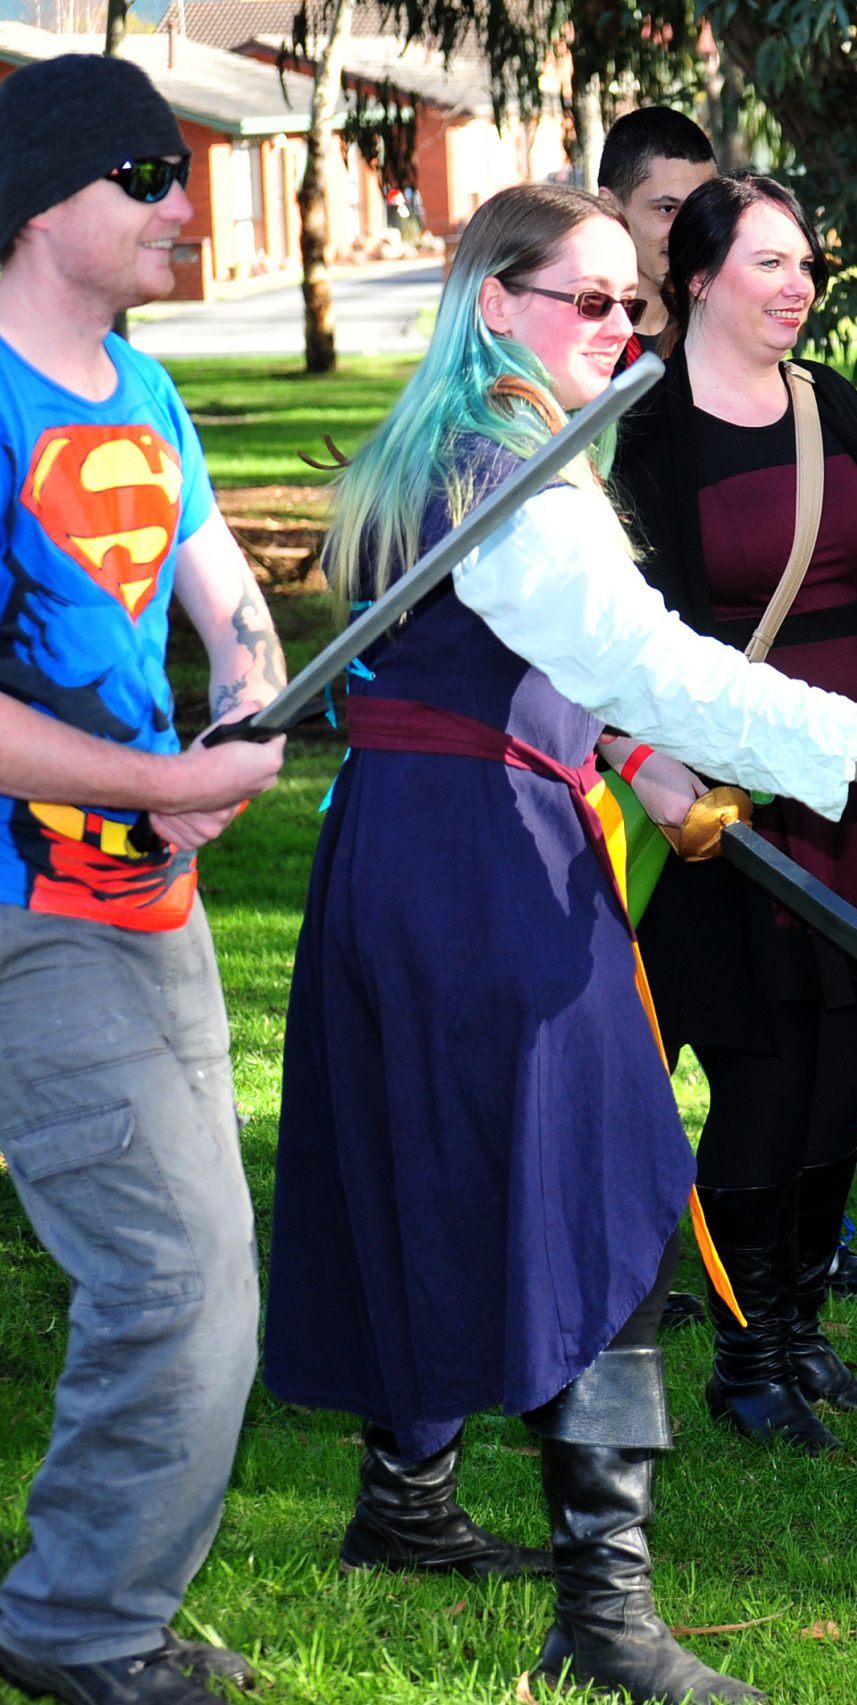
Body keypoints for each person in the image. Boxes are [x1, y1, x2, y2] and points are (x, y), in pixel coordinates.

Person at [261, 183, 857, 1702]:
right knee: (604, 1183)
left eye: (633, 303)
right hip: (481, 862)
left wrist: (627, 750)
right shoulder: (512, 472)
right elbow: (645, 659)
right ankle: (607, 1616)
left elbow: (528, 666)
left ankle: (406, 1501)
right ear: (496, 302)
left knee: (435, 1153)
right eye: (588, 300)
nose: (621, 328)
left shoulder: (433, 448)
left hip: (403, 846)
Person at [0, 55, 287, 1705]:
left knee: (207, 1281)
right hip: (26, 911)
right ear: (44, 199)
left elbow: (221, 589)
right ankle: (83, 1625)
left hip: (143, 904)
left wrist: (247, 705)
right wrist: (169, 782)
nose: (186, 204)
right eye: (148, 176)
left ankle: (88, 1608)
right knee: (174, 1279)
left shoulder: (141, 390)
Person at [611, 176, 857, 1452]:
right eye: (769, 262)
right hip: (723, 792)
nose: (799, 284)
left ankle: (803, 1329)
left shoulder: (834, 405)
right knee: (761, 1069)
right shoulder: (641, 427)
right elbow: (624, 638)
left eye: (806, 261)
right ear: (700, 277)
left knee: (844, 1065)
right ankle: (745, 1358)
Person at [597, 106, 718, 356]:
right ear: (610, 207)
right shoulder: (580, 337)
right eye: (667, 209)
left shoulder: (722, 331)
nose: (688, 228)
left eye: (700, 208)